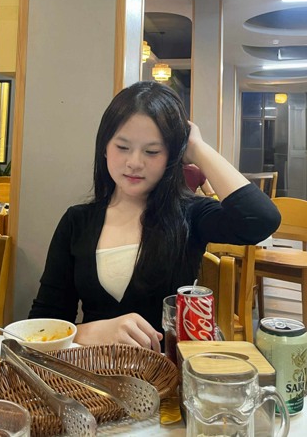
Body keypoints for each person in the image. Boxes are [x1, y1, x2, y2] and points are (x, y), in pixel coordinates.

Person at [29, 81, 280, 353]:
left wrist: (197, 148)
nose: (135, 162)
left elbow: (260, 219)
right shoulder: (76, 222)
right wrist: (88, 331)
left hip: (167, 373)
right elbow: (43, 323)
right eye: (122, 147)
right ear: (104, 148)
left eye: (152, 151)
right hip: (90, 374)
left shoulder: (189, 215)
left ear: (172, 156)